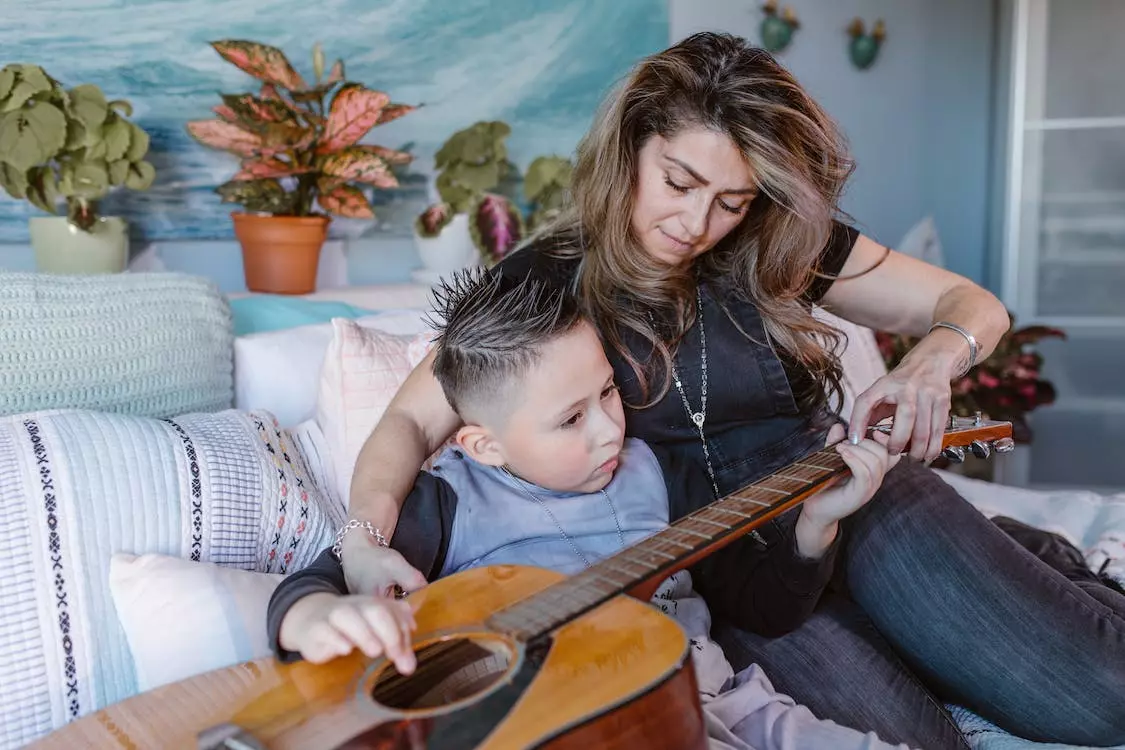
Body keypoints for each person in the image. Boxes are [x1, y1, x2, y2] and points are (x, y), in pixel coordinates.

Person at [337, 31, 1125, 750]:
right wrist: (365, 546)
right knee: (917, 740)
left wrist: (929, 361)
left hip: (860, 496)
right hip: (739, 582)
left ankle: (1045, 571)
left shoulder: (778, 243)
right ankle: (1030, 562)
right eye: (678, 182)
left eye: (731, 199)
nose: (697, 222)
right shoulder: (546, 281)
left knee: (1097, 701)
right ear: (633, 145)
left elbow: (970, 307)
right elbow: (409, 419)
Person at [269, 269, 910, 750]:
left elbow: (760, 607)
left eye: (607, 391)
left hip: (724, 701)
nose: (609, 429)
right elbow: (315, 586)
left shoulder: (656, 471)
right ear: (485, 445)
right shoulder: (448, 504)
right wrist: (320, 615)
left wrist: (816, 526)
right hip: (582, 724)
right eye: (571, 418)